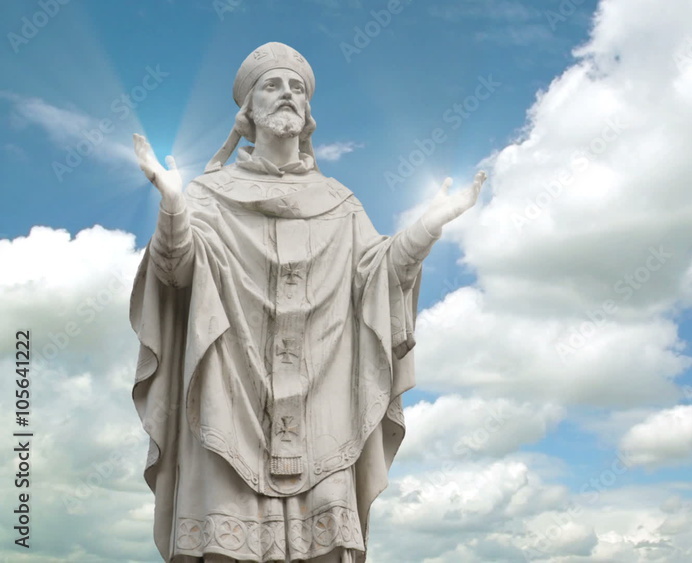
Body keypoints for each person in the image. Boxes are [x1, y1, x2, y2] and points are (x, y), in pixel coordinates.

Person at [130, 41, 484, 562]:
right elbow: (177, 269)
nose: (287, 94)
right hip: (228, 402)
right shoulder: (209, 194)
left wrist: (427, 229)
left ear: (308, 111)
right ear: (247, 109)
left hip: (325, 415)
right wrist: (174, 205)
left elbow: (379, 273)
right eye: (272, 85)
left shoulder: (339, 203)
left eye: (297, 87)